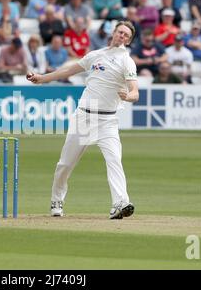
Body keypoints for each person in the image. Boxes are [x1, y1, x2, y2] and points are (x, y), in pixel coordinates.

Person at [26, 21, 138, 220]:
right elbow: (68, 71)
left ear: (128, 41)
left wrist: (127, 96)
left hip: (108, 121)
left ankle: (120, 202)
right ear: (114, 33)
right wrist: (42, 78)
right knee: (65, 164)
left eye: (126, 35)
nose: (122, 36)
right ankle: (56, 199)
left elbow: (135, 92)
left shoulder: (126, 61)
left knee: (114, 161)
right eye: (120, 32)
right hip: (84, 117)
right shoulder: (96, 55)